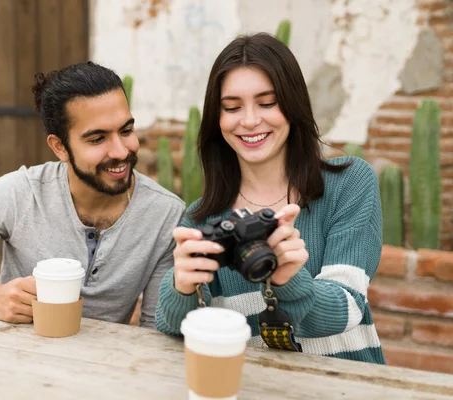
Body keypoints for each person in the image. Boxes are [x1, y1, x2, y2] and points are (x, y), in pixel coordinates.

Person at [0, 61, 185, 328]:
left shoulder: (165, 214)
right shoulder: (20, 193)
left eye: (126, 130)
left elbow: (153, 333)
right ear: (59, 147)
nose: (121, 151)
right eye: (97, 139)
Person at [155, 33, 385, 364]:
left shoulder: (348, 184)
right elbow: (175, 330)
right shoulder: (201, 218)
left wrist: (289, 279)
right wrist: (181, 287)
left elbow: (347, 309)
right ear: (217, 119)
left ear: (293, 105)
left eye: (267, 103)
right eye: (232, 107)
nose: (249, 121)